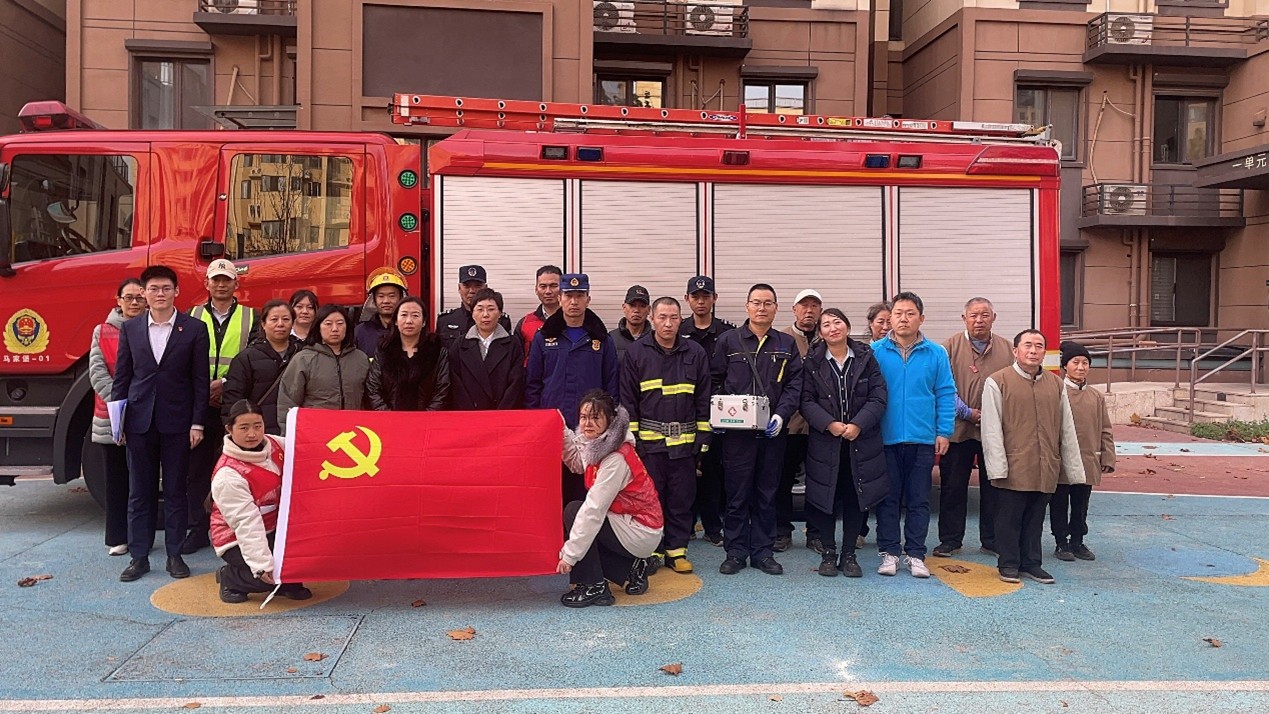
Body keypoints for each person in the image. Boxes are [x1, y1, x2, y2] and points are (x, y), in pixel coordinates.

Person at [112, 265, 211, 582]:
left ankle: (174, 555)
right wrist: (118, 422)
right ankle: (139, 557)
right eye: (153, 288)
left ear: (176, 292)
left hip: (178, 422)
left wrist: (197, 423)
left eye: (166, 288)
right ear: (144, 293)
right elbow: (122, 378)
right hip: (139, 421)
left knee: (176, 491)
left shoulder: (194, 329)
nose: (160, 294)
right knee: (139, 492)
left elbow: (200, 381)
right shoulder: (131, 329)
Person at [711, 284, 803, 576]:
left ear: (776, 308)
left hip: (772, 435)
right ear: (747, 306)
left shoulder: (786, 344)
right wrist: (719, 415)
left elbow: (795, 385)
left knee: (767, 494)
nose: (761, 308)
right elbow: (714, 380)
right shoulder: (728, 341)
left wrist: (781, 415)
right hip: (736, 436)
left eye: (767, 303)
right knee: (737, 495)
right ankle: (735, 552)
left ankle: (763, 552)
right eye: (756, 302)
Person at [981, 329, 1085, 584]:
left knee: (1035, 519)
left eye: (1039, 346)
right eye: (1027, 345)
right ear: (1015, 351)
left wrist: (1072, 467)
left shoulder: (1055, 384)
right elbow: (991, 429)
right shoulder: (998, 381)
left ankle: (1031, 563)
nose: (1033, 350)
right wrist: (997, 467)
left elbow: (1067, 427)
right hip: (1013, 464)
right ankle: (1008, 563)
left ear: (1045, 353)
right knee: (1009, 518)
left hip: (1045, 464)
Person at [620, 297, 711, 574]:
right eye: (662, 317)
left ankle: (677, 551)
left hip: (684, 446)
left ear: (681, 319)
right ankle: (653, 550)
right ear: (652, 318)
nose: (668, 323)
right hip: (650, 445)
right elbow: (628, 400)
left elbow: (703, 397)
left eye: (673, 317)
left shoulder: (695, 353)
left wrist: (703, 437)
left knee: (682, 499)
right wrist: (634, 442)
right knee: (652, 499)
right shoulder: (636, 353)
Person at [870, 291, 955, 579]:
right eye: (898, 313)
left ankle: (916, 554)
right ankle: (889, 552)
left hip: (922, 439)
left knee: (919, 500)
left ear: (921, 318)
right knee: (888, 499)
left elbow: (945, 393)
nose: (903, 319)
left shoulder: (936, 353)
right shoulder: (875, 351)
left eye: (910, 313)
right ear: (890, 318)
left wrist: (944, 431)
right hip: (885, 438)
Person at [800, 309, 889, 578]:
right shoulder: (812, 361)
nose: (833, 328)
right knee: (825, 497)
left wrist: (858, 424)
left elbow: (878, 396)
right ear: (820, 333)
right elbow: (806, 400)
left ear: (848, 327)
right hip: (825, 442)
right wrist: (829, 423)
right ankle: (828, 552)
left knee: (855, 497)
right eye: (826, 324)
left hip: (860, 441)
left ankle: (849, 553)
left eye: (837, 322)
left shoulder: (866, 357)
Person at [558, 390, 664, 607]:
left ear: (611, 420)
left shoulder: (615, 458)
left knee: (576, 512)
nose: (588, 423)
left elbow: (594, 510)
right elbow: (578, 463)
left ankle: (594, 586)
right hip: (630, 523)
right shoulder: (600, 444)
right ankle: (631, 569)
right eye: (584, 417)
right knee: (584, 523)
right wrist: (560, 430)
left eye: (595, 417)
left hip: (640, 529)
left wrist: (569, 555)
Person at [526, 273, 619, 504]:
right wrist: (535, 423)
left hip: (591, 430)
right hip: (553, 428)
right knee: (552, 491)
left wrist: (609, 429)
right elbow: (532, 386)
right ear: (560, 298)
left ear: (588, 299)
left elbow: (611, 386)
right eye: (568, 296)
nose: (574, 302)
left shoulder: (602, 340)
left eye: (579, 296)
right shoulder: (544, 338)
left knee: (588, 493)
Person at [184, 258, 256, 555]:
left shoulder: (252, 317)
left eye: (227, 280)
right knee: (196, 470)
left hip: (234, 404)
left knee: (235, 471)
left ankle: (234, 530)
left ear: (236, 284)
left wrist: (225, 383)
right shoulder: (191, 315)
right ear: (207, 284)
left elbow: (254, 356)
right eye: (216, 279)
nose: (221, 284)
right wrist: (204, 387)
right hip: (199, 405)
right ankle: (197, 529)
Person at [934, 297, 1015, 558]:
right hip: (958, 429)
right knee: (953, 487)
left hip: (995, 430)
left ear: (994, 317)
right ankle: (950, 540)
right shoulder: (948, 348)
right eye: (973, 315)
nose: (979, 320)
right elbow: (942, 387)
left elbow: (1012, 388)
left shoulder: (1008, 349)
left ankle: (991, 540)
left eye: (984, 315)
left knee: (994, 487)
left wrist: (990, 414)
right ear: (964, 319)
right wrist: (968, 413)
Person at [210, 400, 312, 604]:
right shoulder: (228, 475)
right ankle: (231, 578)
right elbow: (247, 523)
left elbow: (308, 446)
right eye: (244, 428)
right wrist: (261, 564)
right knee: (270, 573)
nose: (252, 434)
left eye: (258, 426)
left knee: (310, 557)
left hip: (275, 528)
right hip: (236, 538)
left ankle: (287, 583)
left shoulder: (275, 444)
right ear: (229, 429)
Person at [88, 278, 146, 557]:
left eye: (139, 297)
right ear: (118, 300)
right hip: (111, 418)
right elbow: (97, 372)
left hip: (145, 415)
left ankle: (142, 537)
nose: (134, 302)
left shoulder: (154, 328)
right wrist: (122, 403)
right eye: (128, 297)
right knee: (116, 479)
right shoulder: (102, 331)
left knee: (143, 481)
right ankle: (118, 537)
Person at [681, 275, 736, 547]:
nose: (701, 301)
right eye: (695, 296)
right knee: (684, 470)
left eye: (706, 296)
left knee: (713, 470)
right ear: (687, 299)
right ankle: (687, 525)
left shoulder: (727, 333)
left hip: (717, 410)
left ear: (715, 298)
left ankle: (713, 527)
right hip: (682, 409)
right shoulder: (678, 330)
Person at [1052, 341, 1114, 562]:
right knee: (1059, 502)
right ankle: (1061, 542)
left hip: (1087, 457)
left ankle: (1077, 540)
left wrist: (1107, 456)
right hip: (1061, 459)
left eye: (1085, 363)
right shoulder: (1056, 392)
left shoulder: (1096, 396)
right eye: (1075, 362)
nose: (1081, 367)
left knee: (1081, 503)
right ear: (1065, 366)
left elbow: (1105, 428)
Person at [777, 288, 822, 553]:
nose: (809, 310)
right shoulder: (781, 339)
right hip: (789, 424)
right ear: (794, 310)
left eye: (814, 306)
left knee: (818, 482)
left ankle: (816, 533)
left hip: (820, 426)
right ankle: (782, 531)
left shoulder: (829, 337)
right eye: (803, 305)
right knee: (782, 480)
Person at [277, 304, 371, 432]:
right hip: (315, 431)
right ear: (318, 327)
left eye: (340, 323)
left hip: (354, 430)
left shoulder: (360, 359)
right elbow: (288, 401)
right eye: (328, 324)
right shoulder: (303, 359)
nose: (335, 329)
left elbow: (370, 398)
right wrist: (288, 433)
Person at [221, 300, 301, 435]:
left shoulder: (303, 354)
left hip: (295, 430)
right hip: (257, 432)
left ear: (293, 323)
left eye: (286, 319)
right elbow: (233, 399)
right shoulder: (246, 358)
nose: (280, 324)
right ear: (263, 324)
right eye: (274, 319)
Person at [366, 297, 450, 411]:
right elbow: (373, 387)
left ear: (424, 322)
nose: (409, 321)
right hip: (388, 418)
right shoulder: (384, 350)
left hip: (428, 419)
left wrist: (427, 416)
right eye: (404, 315)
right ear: (396, 321)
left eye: (415, 315)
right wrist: (387, 415)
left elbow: (442, 390)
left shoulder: (437, 351)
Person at [449, 288, 525, 410]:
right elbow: (455, 383)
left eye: (491, 309)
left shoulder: (512, 344)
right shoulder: (460, 344)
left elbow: (516, 383)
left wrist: (501, 413)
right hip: (468, 413)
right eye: (480, 309)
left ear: (500, 313)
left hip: (502, 413)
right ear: (472, 313)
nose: (485, 315)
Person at [437, 264, 511, 347]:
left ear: (486, 287)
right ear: (459, 288)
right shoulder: (445, 320)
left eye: (477, 286)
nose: (472, 291)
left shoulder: (501, 320)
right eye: (467, 286)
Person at [514, 265, 562, 363]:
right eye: (543, 286)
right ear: (536, 289)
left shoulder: (574, 321)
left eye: (553, 286)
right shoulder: (524, 323)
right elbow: (516, 362)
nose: (548, 291)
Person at [354, 269, 406, 357]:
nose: (386, 301)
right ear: (373, 300)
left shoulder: (409, 328)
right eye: (381, 296)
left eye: (392, 296)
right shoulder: (361, 332)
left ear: (401, 298)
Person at [609, 285, 651, 363]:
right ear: (624, 307)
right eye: (632, 305)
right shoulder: (611, 339)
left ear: (649, 310)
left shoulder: (655, 339)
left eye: (642, 306)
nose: (636, 310)